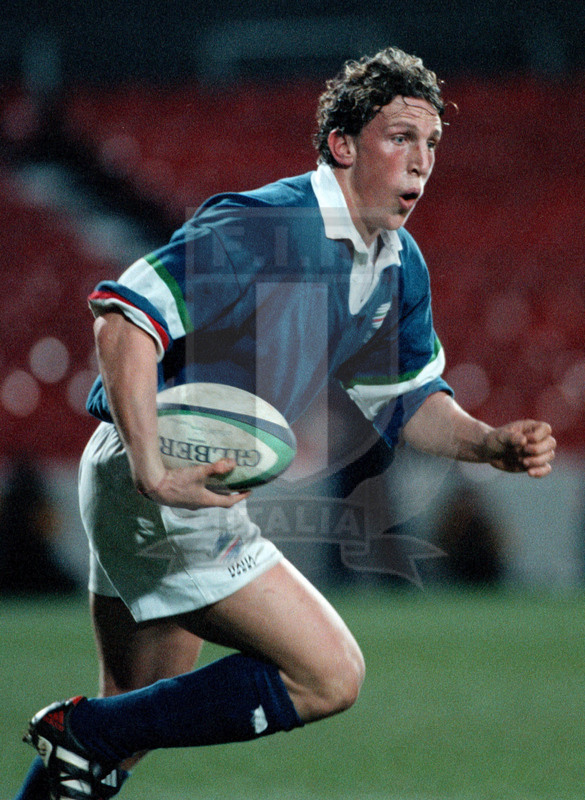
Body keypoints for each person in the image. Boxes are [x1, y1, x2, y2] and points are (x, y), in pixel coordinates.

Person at [16, 46, 556, 800]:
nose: (422, 161)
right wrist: (150, 466)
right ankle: (88, 730)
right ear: (342, 144)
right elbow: (123, 320)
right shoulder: (266, 223)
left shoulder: (397, 264)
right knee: (327, 674)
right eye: (400, 136)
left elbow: (402, 401)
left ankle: (84, 742)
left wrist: (486, 441)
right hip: (162, 480)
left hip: (164, 482)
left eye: (431, 143)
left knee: (112, 745)